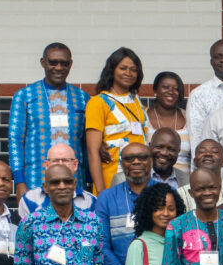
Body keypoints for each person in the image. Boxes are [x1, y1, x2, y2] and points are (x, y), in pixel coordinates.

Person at [9, 43, 90, 194]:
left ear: (70, 64)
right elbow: (16, 141)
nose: (59, 67)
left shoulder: (82, 98)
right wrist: (19, 182)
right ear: (43, 62)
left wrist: (90, 181)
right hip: (35, 180)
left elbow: (87, 144)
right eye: (53, 62)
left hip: (74, 181)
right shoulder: (24, 96)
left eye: (64, 63)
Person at [95, 141, 152, 265]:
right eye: (129, 159)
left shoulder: (164, 192)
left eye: (142, 157)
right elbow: (101, 244)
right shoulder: (106, 198)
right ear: (122, 164)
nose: (136, 162)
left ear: (151, 161)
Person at [85, 47, 150, 192]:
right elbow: (92, 151)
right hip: (111, 179)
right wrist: (101, 192)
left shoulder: (138, 102)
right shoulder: (98, 103)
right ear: (112, 70)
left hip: (141, 180)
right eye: (123, 68)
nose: (128, 73)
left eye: (133, 69)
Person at [124, 183, 183, 265]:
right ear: (148, 211)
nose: (166, 214)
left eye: (171, 208)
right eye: (159, 209)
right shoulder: (139, 246)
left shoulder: (181, 242)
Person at [187, 40, 223, 153]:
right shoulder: (199, 95)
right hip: (214, 166)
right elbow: (196, 139)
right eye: (218, 57)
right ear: (211, 62)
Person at [16, 143, 97, 221]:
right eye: (55, 161)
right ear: (46, 165)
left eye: (65, 160)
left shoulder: (90, 201)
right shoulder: (29, 199)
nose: (60, 164)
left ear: (75, 165)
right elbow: (25, 232)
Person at [111, 127, 189, 190]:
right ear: (149, 146)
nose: (164, 153)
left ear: (178, 151)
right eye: (159, 147)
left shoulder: (188, 181)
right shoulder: (121, 180)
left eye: (171, 149)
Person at [146, 72, 191, 172]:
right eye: (165, 87)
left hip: (183, 182)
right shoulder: (142, 117)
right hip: (149, 181)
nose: (171, 91)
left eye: (176, 89)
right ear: (155, 90)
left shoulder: (189, 118)